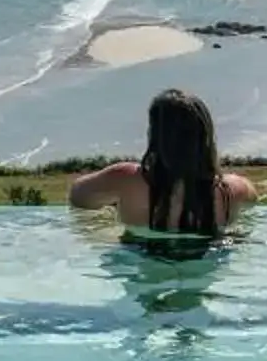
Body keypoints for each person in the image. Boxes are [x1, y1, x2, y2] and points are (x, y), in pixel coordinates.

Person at [67, 88, 255, 247]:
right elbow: (252, 202)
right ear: (205, 137)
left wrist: (110, 209)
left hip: (140, 260)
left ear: (155, 135)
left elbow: (77, 195)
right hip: (207, 261)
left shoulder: (126, 178)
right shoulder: (233, 190)